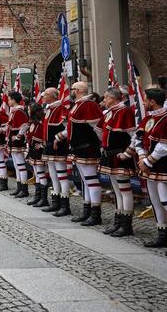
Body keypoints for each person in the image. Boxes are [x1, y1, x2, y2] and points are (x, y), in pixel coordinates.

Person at [125, 87, 167, 256]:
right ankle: (163, 235)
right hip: (149, 165)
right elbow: (138, 139)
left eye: (145, 99)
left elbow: (166, 146)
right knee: (155, 201)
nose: (144, 102)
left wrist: (147, 160)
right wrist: (141, 156)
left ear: (152, 101)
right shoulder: (147, 119)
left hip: (164, 166)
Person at [57, 81, 104, 226]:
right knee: (85, 180)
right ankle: (87, 210)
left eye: (72, 89)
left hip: (87, 147)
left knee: (91, 179)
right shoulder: (78, 105)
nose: (71, 91)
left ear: (77, 90)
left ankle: (95, 214)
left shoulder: (89, 105)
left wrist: (100, 144)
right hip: (78, 147)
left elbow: (98, 128)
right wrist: (61, 136)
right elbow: (73, 126)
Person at [99, 87, 137, 237]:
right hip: (111, 154)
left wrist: (128, 152)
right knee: (116, 190)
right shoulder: (111, 112)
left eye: (106, 98)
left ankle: (126, 224)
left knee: (124, 189)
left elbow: (134, 134)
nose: (104, 101)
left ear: (113, 98)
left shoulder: (124, 111)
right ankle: (118, 220)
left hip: (120, 154)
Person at [41, 87, 71, 216]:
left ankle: (65, 205)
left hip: (58, 145)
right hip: (49, 145)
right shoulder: (48, 109)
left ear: (53, 96)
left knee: (61, 175)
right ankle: (55, 202)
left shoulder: (61, 109)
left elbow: (67, 128)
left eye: (45, 95)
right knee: (53, 174)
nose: (43, 97)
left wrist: (58, 138)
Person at [6, 91, 30, 198]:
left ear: (14, 100)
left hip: (18, 140)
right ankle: (19, 186)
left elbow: (25, 125)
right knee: (16, 164)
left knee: (20, 164)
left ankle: (24, 188)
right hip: (13, 139)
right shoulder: (14, 111)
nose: (8, 101)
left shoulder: (19, 111)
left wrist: (19, 136)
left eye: (9, 99)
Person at [25, 103, 49, 207]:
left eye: (29, 109)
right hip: (33, 151)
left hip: (39, 152)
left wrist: (41, 145)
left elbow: (44, 138)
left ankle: (43, 199)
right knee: (37, 173)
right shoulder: (32, 123)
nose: (28, 111)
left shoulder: (40, 124)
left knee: (41, 173)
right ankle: (38, 196)